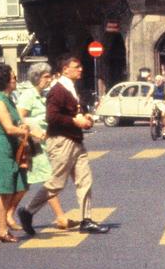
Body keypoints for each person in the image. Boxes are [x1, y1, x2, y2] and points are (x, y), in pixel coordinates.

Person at [16, 54, 102, 236]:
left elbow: (73, 112)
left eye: (80, 66)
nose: (80, 69)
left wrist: (84, 118)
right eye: (76, 66)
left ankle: (86, 219)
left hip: (75, 140)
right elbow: (52, 117)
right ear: (65, 70)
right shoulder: (58, 90)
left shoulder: (70, 88)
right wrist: (75, 121)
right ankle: (28, 211)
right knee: (56, 182)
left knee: (84, 179)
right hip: (61, 140)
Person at [12, 62, 63, 230]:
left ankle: (6, 214)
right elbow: (21, 119)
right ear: (37, 78)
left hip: (44, 143)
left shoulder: (42, 95)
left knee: (26, 184)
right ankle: (60, 216)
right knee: (49, 179)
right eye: (46, 77)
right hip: (34, 145)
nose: (49, 79)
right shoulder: (29, 95)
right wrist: (35, 129)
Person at [0, 64, 30, 244]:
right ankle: (2, 231)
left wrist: (24, 127)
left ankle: (0, 219)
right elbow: (9, 128)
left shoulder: (9, 99)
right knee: (5, 191)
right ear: (5, 81)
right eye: (13, 78)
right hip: (1, 147)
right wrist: (30, 133)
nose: (15, 80)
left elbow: (17, 124)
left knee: (20, 185)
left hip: (13, 147)